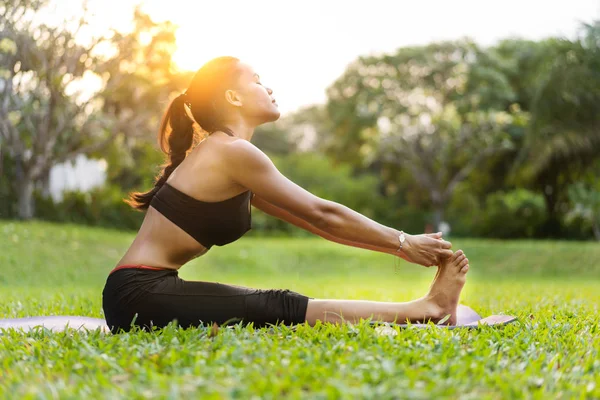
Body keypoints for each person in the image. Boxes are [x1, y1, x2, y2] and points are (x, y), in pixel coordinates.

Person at [101, 56, 470, 334]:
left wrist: (400, 247)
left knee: (273, 303)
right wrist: (404, 243)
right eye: (258, 81)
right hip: (138, 293)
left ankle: (427, 308)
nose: (269, 88)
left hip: (145, 289)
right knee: (275, 305)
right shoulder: (231, 152)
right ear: (233, 96)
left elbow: (319, 224)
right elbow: (322, 213)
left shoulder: (229, 156)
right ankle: (428, 309)